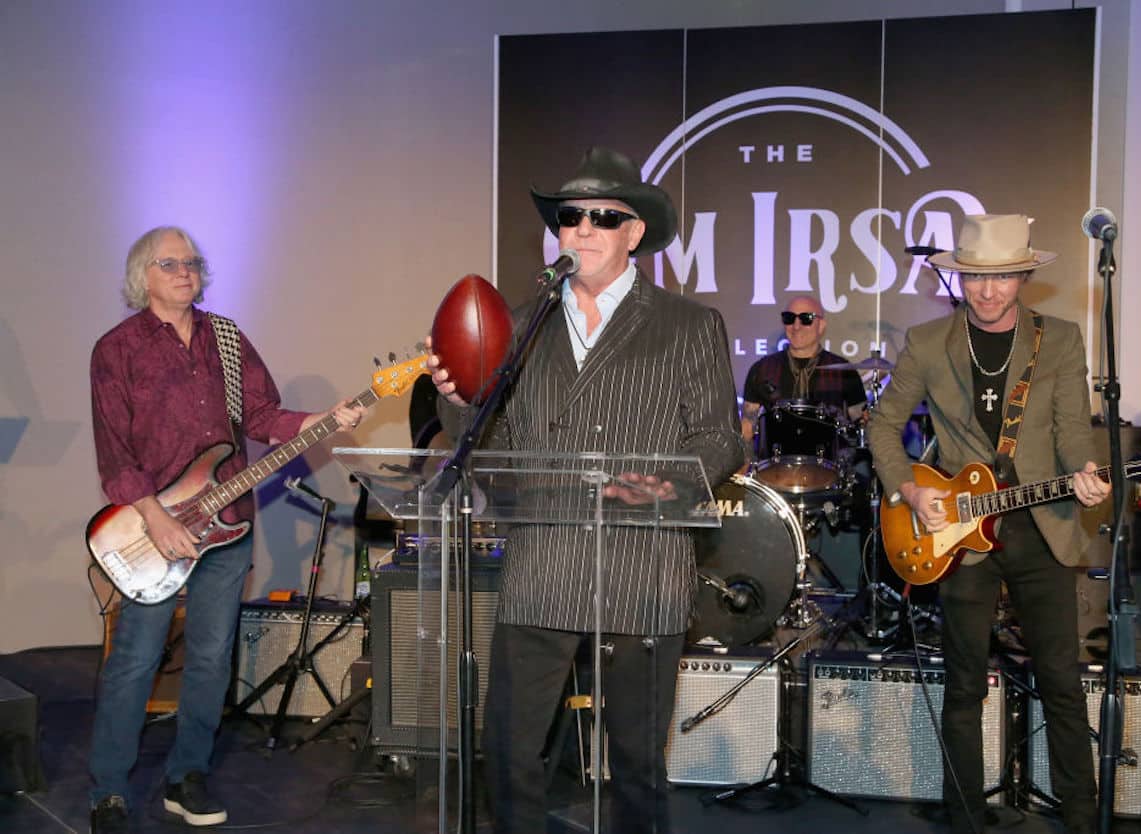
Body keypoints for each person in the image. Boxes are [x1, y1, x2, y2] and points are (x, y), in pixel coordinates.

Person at [429, 147, 744, 833]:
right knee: (508, 748)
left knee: (635, 761)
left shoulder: (690, 324)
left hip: (643, 559)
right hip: (544, 556)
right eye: (571, 216)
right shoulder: (515, 325)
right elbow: (489, 447)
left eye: (606, 216)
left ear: (635, 234)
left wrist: (654, 486)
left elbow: (721, 440)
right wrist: (458, 400)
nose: (584, 228)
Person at [87, 226, 366, 834]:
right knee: (135, 659)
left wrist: (324, 419)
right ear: (143, 276)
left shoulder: (229, 339)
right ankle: (108, 790)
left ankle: (187, 777)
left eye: (192, 262)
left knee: (212, 658)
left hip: (230, 526)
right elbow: (115, 454)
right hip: (151, 528)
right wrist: (157, 520)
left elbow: (262, 416)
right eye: (170, 263)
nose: (186, 271)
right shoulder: (117, 348)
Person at [866, 214, 1110, 834]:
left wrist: (1084, 471)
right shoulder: (927, 342)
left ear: (1023, 275)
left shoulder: (1057, 339)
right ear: (960, 277)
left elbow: (1071, 430)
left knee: (1059, 679)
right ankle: (965, 819)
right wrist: (912, 489)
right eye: (977, 276)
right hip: (959, 532)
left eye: (1002, 277)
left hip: (1041, 526)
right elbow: (883, 426)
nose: (989, 290)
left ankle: (1082, 820)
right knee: (963, 686)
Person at [739, 294, 868, 448]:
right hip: (776, 467)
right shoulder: (762, 369)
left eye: (806, 318)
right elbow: (747, 427)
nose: (796, 326)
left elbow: (861, 423)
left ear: (821, 326)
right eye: (789, 318)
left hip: (830, 466)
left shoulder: (843, 371)